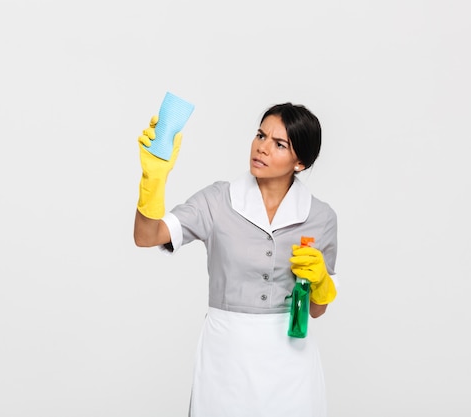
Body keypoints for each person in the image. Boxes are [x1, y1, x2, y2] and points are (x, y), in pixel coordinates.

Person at [133, 102, 338, 417]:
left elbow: (317, 310)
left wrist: (322, 282)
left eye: (279, 144)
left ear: (300, 162)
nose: (261, 148)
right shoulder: (217, 201)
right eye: (260, 135)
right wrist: (153, 179)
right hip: (226, 357)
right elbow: (146, 236)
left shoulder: (320, 217)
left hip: (291, 363)